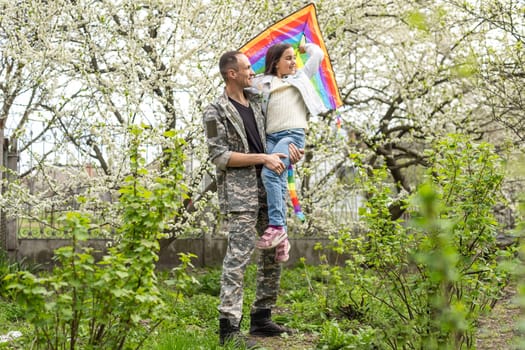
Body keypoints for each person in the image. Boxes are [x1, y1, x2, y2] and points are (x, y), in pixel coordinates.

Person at [202, 50, 301, 347]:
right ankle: (229, 328)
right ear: (231, 73)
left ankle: (262, 317)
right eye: (247, 68)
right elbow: (219, 157)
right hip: (240, 195)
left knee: (273, 253)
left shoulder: (258, 101)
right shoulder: (214, 111)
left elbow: (276, 136)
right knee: (239, 257)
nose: (252, 72)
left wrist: (291, 150)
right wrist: (263, 158)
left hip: (270, 189)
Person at [252, 42, 329, 262]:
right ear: (275, 63)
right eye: (288, 58)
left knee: (270, 173)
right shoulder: (263, 82)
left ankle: (276, 227)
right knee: (277, 180)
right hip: (270, 139)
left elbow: (318, 55)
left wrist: (303, 47)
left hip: (292, 136)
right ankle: (283, 240)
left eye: (293, 58)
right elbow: (243, 83)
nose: (293, 62)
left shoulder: (301, 77)